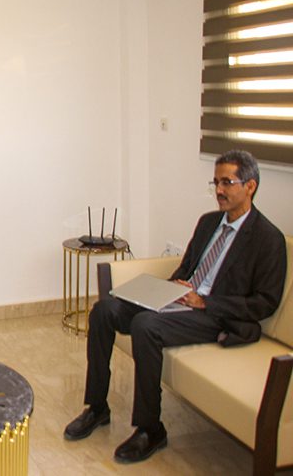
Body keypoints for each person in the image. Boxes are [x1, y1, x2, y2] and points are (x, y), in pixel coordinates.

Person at [63, 149, 287, 464]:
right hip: (179, 299)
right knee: (104, 310)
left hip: (214, 316)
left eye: (227, 182)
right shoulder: (209, 222)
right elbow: (187, 267)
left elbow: (265, 302)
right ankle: (97, 407)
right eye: (215, 183)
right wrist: (168, 289)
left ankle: (150, 428)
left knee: (145, 325)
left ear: (250, 186)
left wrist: (205, 301)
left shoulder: (268, 239)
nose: (219, 190)